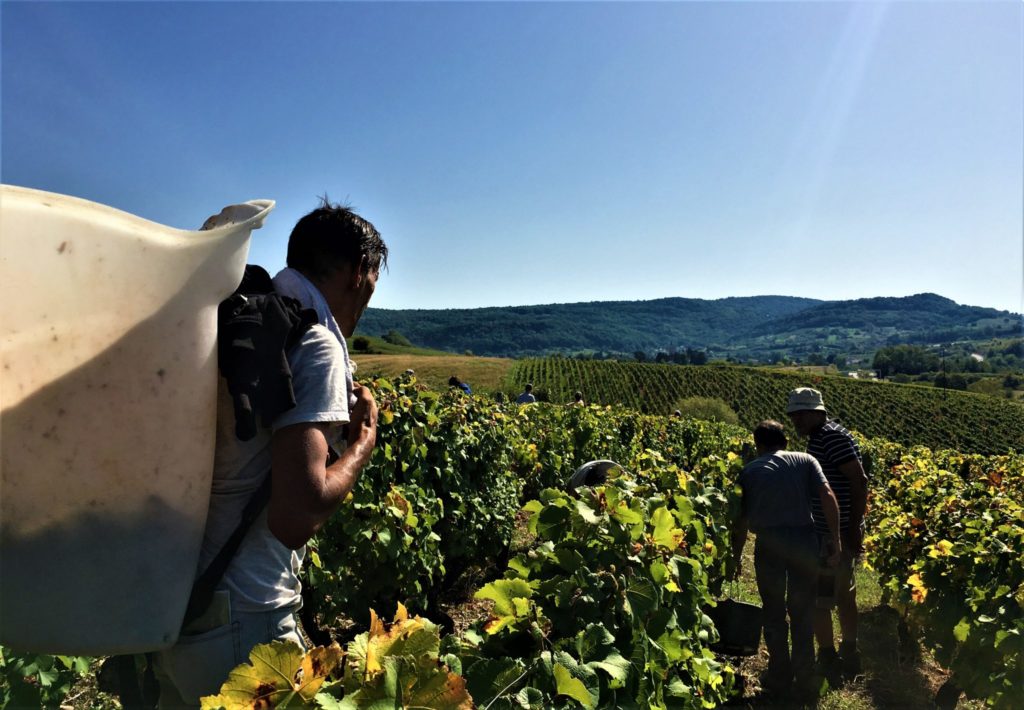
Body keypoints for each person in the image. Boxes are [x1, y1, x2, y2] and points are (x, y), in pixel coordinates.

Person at [154, 198, 387, 707]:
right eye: (373, 280)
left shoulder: (233, 320)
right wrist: (363, 441)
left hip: (174, 607)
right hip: (247, 617)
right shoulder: (315, 341)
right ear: (359, 275)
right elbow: (296, 514)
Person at [732, 420, 841, 698]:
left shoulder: (749, 471)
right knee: (802, 609)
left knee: (774, 610)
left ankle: (779, 675)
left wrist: (735, 556)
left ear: (758, 445)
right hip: (804, 540)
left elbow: (741, 521)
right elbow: (827, 495)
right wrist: (834, 539)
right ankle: (804, 677)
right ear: (785, 441)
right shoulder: (806, 460)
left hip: (769, 544)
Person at [786, 387, 868, 681]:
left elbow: (859, 482)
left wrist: (848, 530)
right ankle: (847, 652)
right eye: (793, 415)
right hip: (834, 531)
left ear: (816, 412)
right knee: (842, 592)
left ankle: (831, 656)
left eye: (800, 415)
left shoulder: (830, 437)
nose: (796, 421)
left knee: (821, 598)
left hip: (833, 535)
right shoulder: (823, 436)